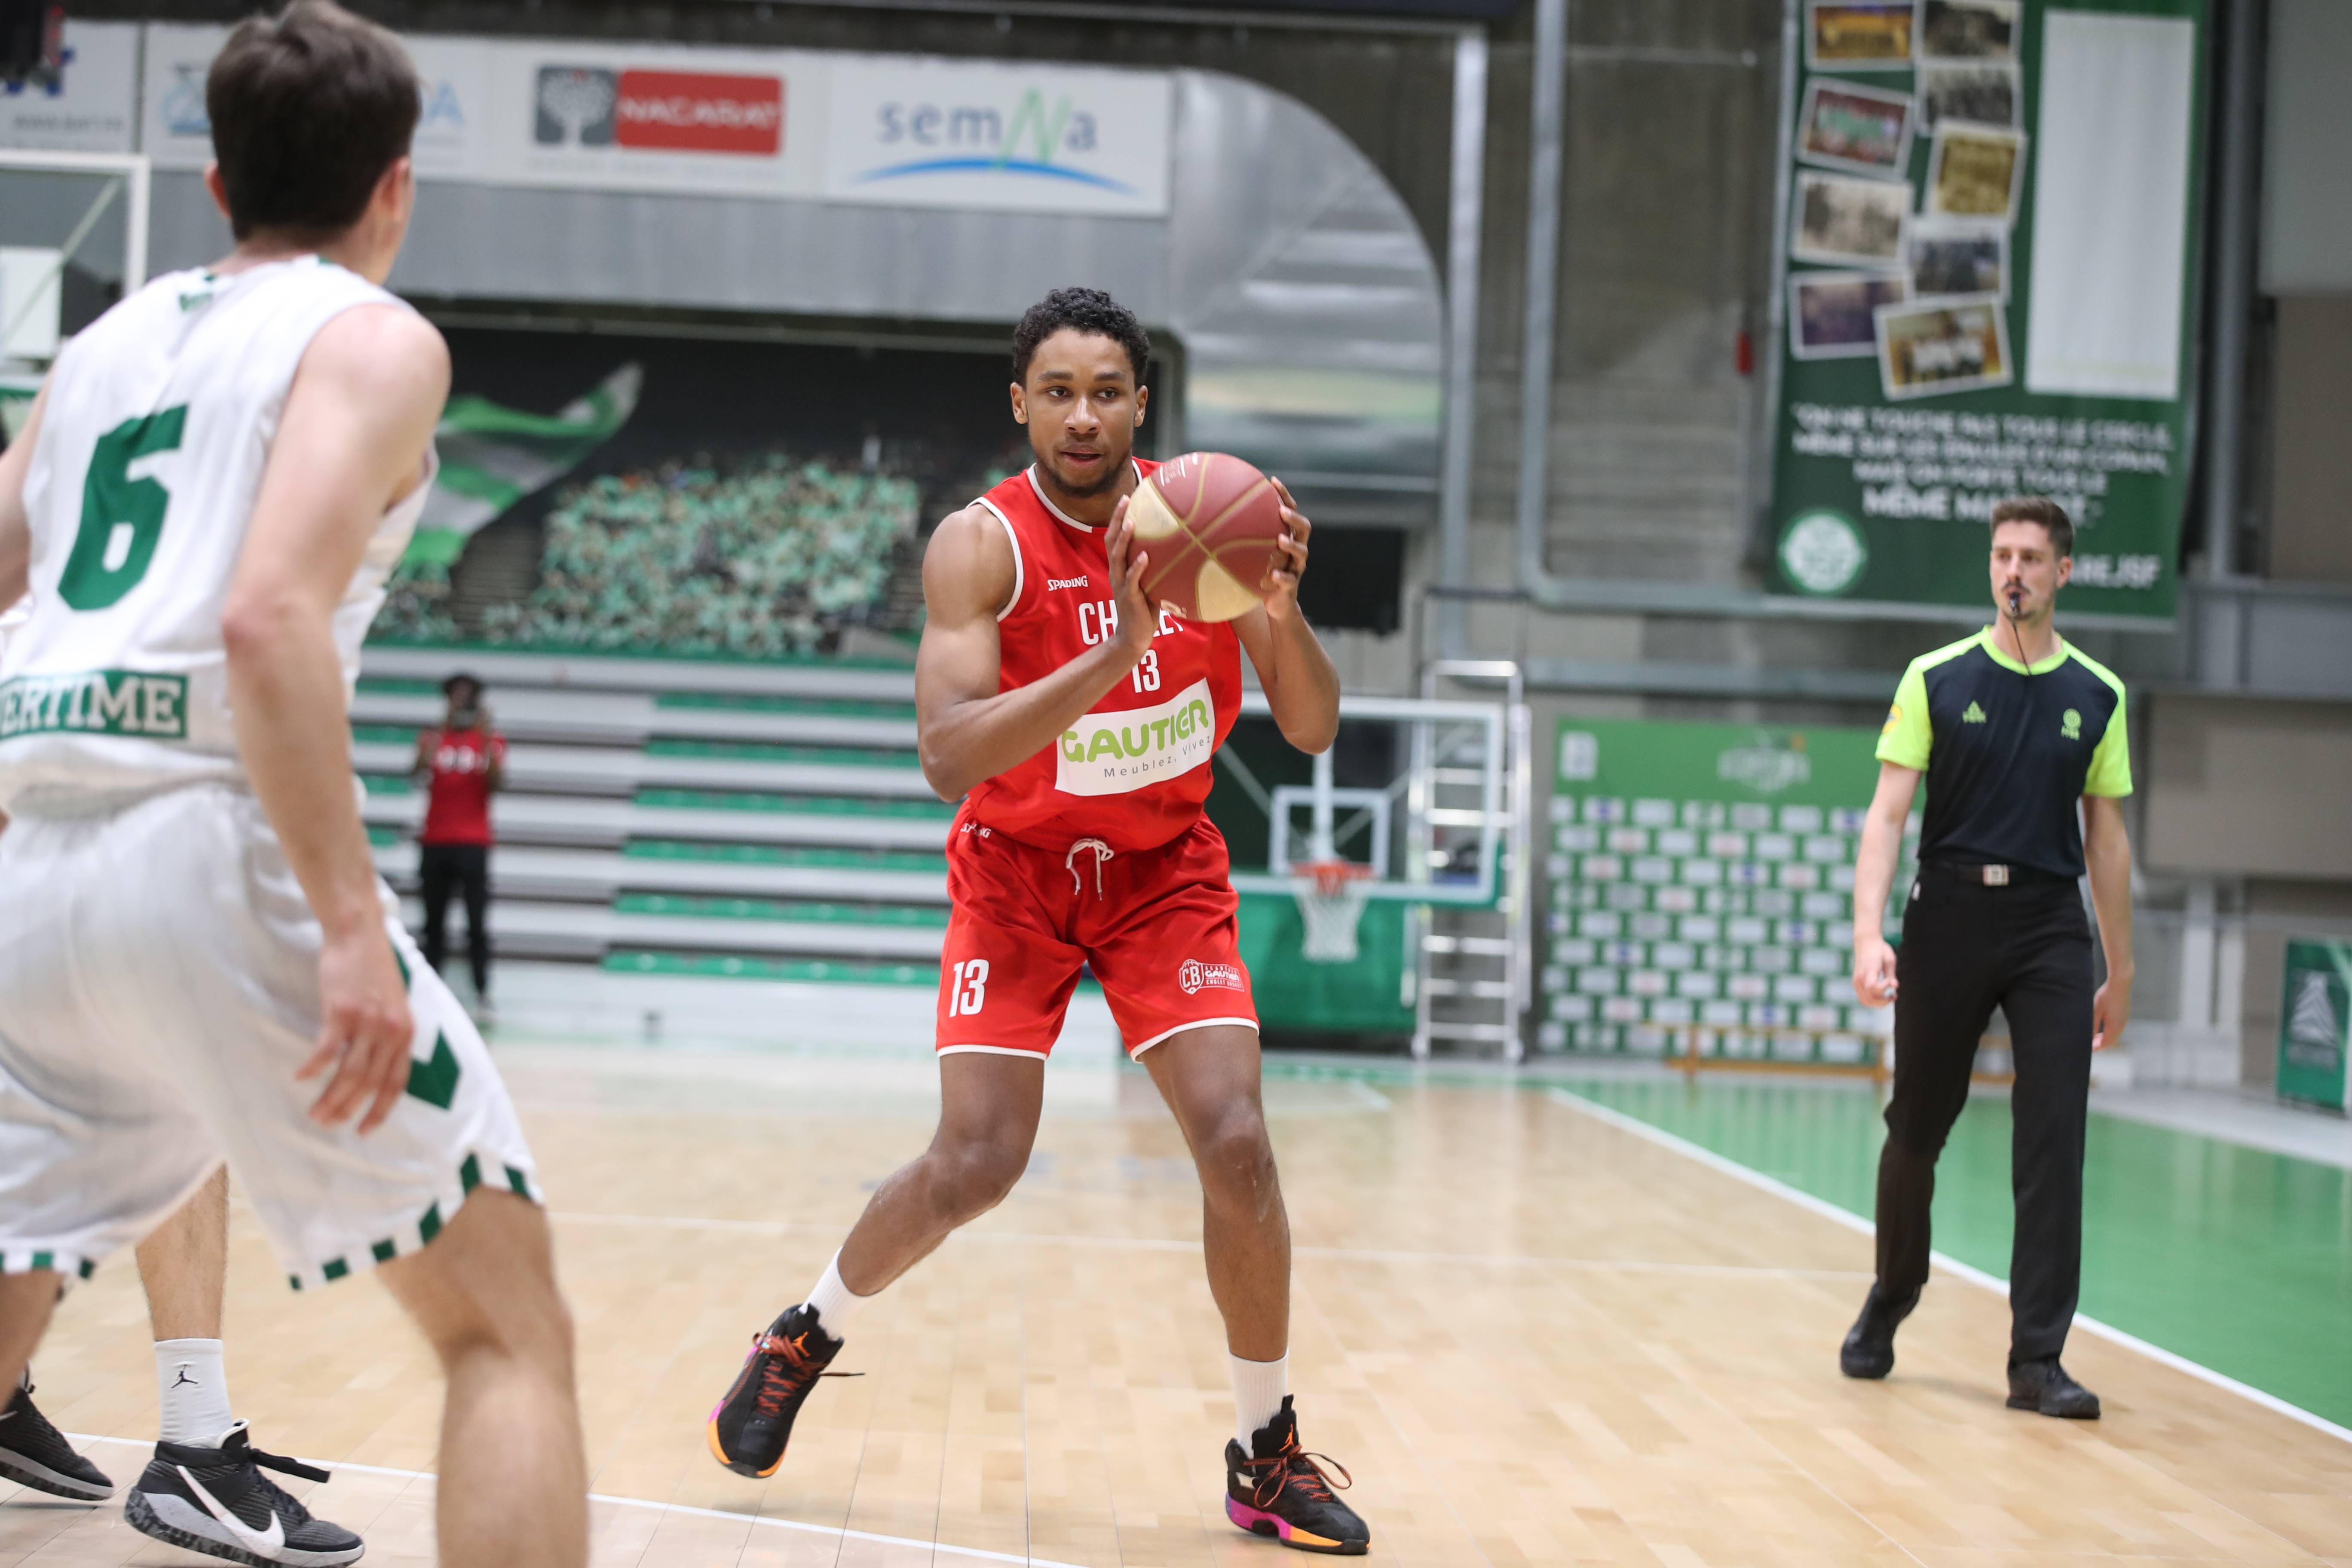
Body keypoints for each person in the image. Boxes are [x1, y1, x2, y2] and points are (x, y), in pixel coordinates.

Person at [0, 6, 585, 1566]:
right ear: (394, 189)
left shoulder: (93, 350)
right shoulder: (373, 337)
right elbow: (266, 615)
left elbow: (3, 592)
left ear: (212, 182)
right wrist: (345, 921)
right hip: (205, 836)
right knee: (507, 1331)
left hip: (34, 848)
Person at [704, 288, 1369, 1556]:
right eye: (1056, 391)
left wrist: (1275, 606)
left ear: (1141, 404)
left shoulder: (1214, 519)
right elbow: (947, 755)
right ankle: (804, 1329)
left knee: (1237, 1141)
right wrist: (1115, 654)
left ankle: (1264, 1449)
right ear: (1020, 404)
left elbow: (1313, 726)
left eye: (1106, 390)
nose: (1082, 415)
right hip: (1016, 870)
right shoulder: (981, 547)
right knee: (979, 1161)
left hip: (1164, 868)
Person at [1841, 495, 2135, 1420]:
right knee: (1917, 1128)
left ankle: (2037, 1359)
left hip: (2052, 927)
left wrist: (2118, 969)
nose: (2014, 571)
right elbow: (1887, 816)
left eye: (2032, 557)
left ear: (2063, 573)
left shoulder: (2098, 695)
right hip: (1950, 915)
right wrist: (1866, 930)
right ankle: (1892, 1295)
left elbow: (2109, 840)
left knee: (2055, 1141)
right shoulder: (1935, 677)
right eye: (2003, 555)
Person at [412, 672, 505, 1014]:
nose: (462, 702)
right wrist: (441, 729)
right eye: (456, 695)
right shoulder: (433, 737)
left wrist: (483, 735)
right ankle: (427, 993)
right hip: (434, 841)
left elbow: (497, 783)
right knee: (432, 923)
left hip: (473, 843)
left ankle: (482, 993)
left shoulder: (490, 740)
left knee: (476, 923)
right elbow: (416, 771)